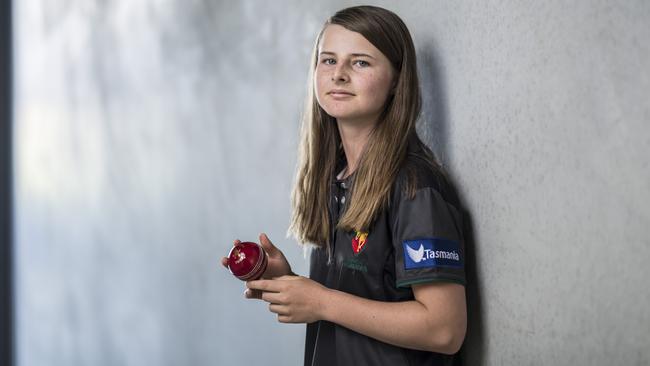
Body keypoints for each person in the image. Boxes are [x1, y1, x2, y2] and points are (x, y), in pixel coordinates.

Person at [221, 5, 467, 366]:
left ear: (397, 79)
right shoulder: (334, 178)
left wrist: (320, 300)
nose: (339, 75)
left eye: (361, 62)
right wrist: (287, 283)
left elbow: (444, 329)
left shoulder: (416, 187)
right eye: (328, 60)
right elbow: (360, 300)